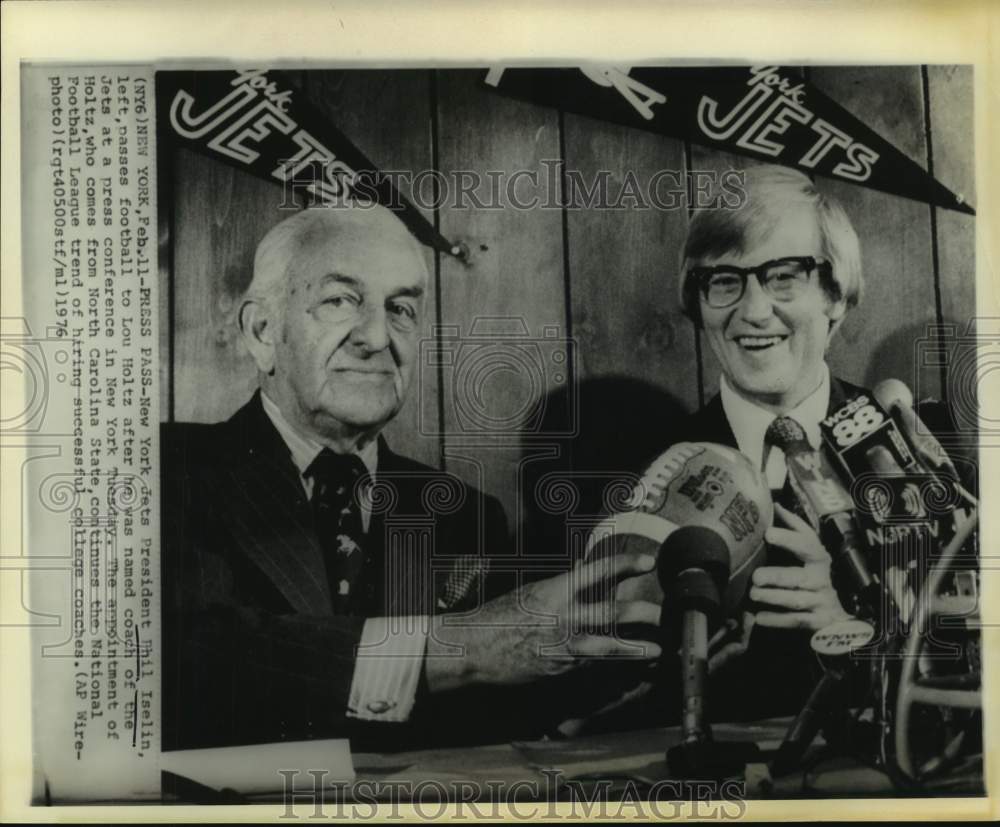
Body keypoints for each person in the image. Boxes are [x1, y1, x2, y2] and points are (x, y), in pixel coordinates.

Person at [161, 204, 662, 751]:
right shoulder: (165, 471)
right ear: (262, 330)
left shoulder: (462, 513)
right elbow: (188, 656)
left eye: (401, 309)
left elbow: (494, 715)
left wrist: (658, 666)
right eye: (339, 300)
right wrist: (459, 647)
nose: (377, 336)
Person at [671, 163, 865, 721]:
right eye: (725, 281)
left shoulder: (914, 459)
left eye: (784, 275)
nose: (754, 312)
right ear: (700, 304)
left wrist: (859, 625)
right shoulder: (640, 472)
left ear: (836, 297)